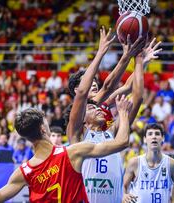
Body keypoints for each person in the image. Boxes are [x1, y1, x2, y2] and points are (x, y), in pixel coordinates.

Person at [0, 93, 133, 203]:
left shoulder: (23, 172)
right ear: (43, 129)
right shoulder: (73, 152)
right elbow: (122, 142)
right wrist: (123, 113)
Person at [66, 35, 162, 202]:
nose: (94, 84)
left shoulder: (106, 118)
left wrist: (141, 61)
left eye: (95, 82)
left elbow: (132, 93)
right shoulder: (80, 119)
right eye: (90, 83)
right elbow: (108, 86)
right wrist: (125, 56)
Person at [123, 123, 174, 203]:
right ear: (145, 139)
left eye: (157, 134)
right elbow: (123, 186)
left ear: (163, 138)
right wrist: (124, 195)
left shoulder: (172, 164)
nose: (154, 137)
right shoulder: (134, 163)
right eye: (150, 134)